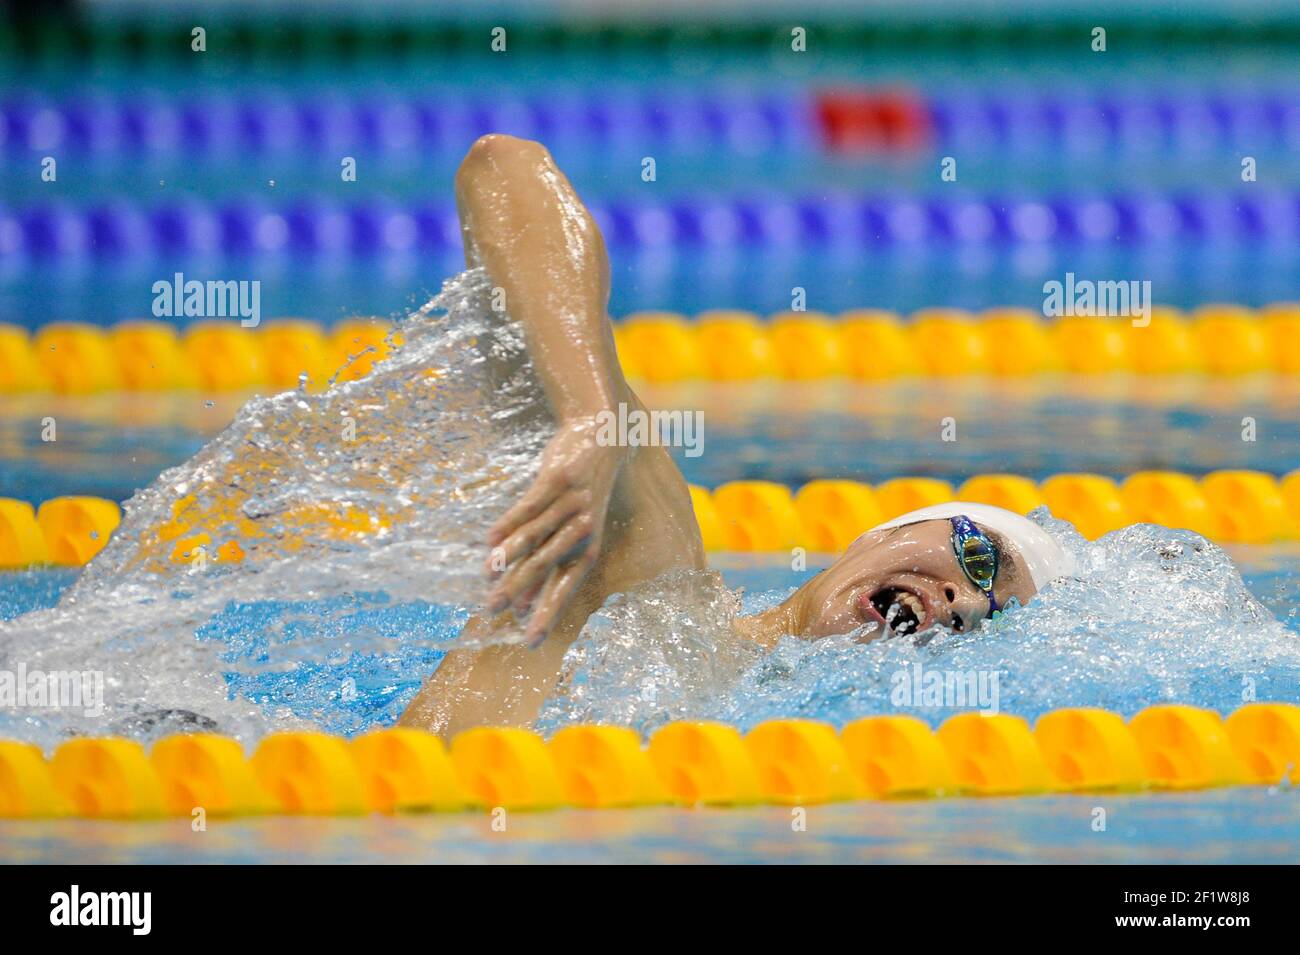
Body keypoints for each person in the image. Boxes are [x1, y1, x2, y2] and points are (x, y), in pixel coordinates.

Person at [398, 135, 1077, 736]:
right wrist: (589, 416)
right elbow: (504, 169)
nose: (964, 605)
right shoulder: (653, 583)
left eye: (986, 627)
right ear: (886, 533)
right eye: (980, 559)